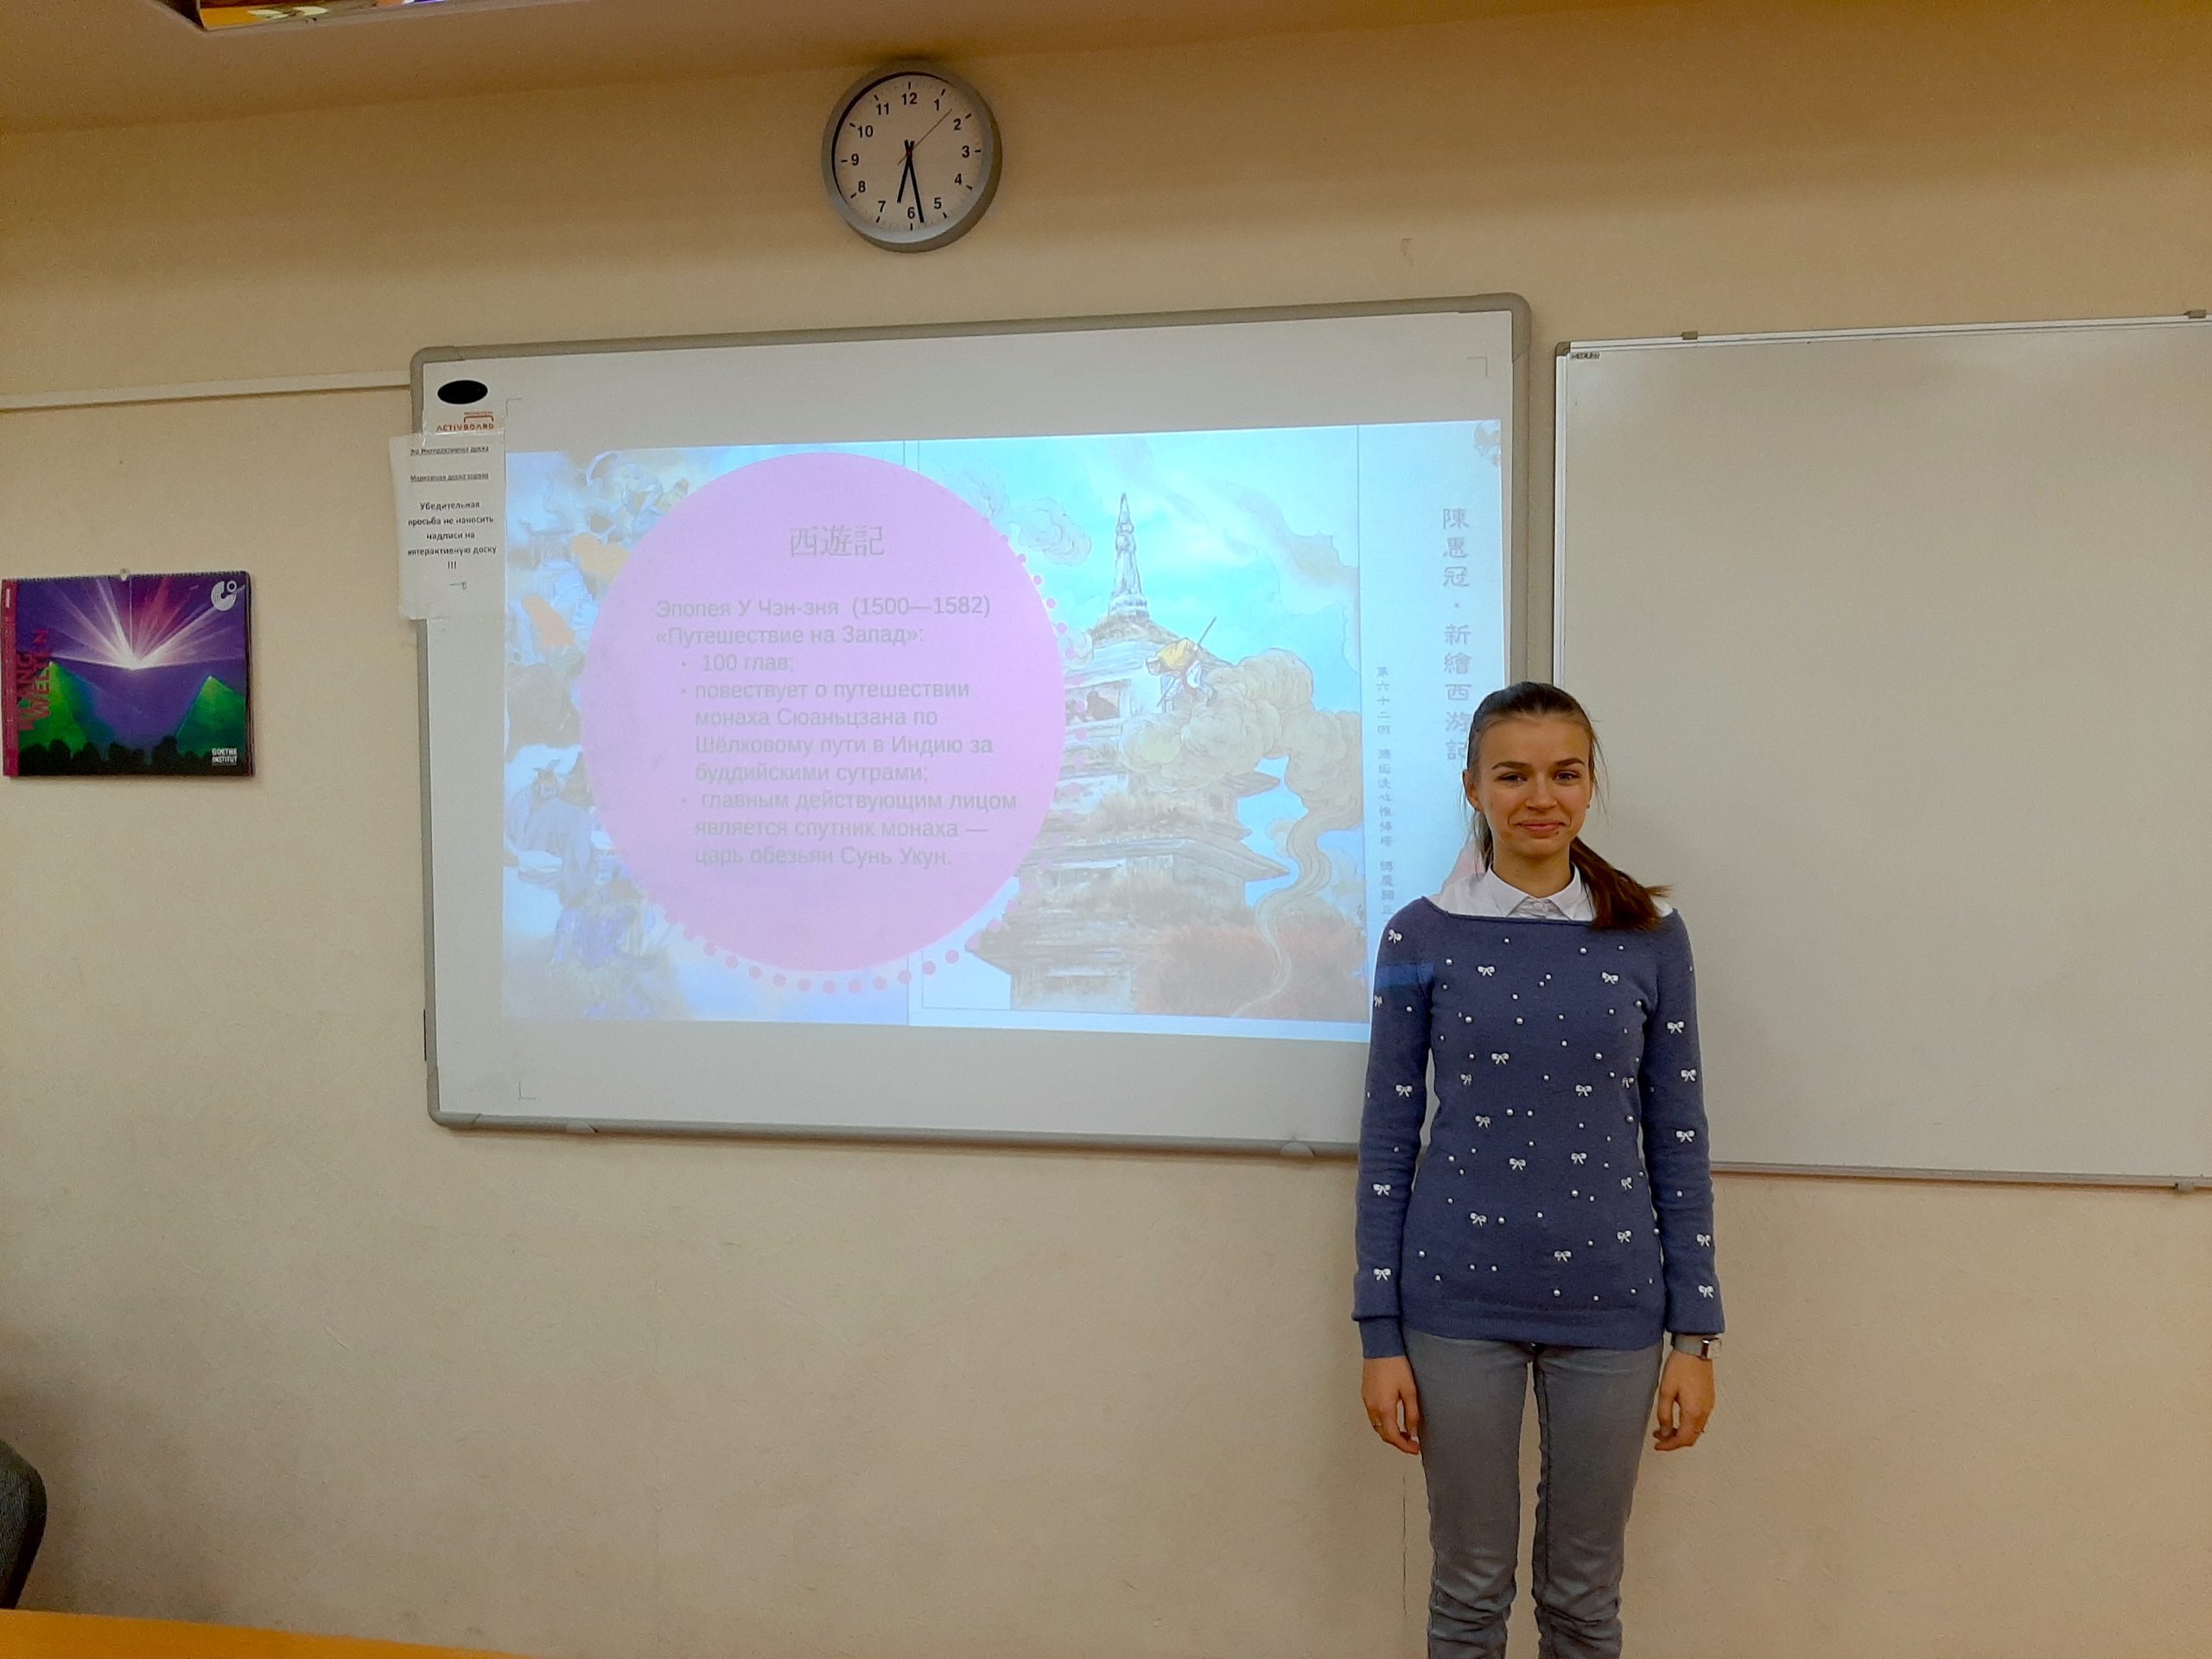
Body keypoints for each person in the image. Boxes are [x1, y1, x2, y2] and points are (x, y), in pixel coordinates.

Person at [1354, 681, 1723, 1659]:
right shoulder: (1420, 934)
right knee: (1468, 1594)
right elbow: (1388, 1139)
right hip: (1453, 1307)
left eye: (1564, 773)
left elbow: (1678, 1137)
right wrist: (1378, 1333)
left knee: (1584, 1599)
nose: (1540, 798)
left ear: (1591, 784)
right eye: (1512, 776)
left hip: (1614, 1307)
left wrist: (1696, 1336)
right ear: (1472, 787)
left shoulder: (1651, 934)